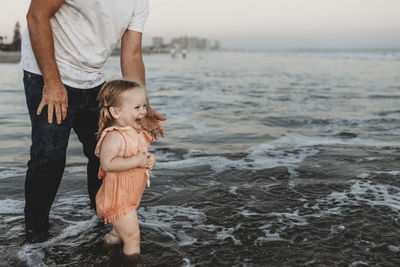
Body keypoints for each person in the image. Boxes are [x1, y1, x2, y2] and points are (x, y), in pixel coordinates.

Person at [20, 0, 165, 237]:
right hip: (47, 73)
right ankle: (35, 236)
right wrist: (53, 82)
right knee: (49, 158)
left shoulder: (139, 3)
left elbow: (132, 54)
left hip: (93, 79)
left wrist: (141, 108)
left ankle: (104, 219)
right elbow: (36, 15)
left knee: (105, 151)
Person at [95, 79, 155, 256]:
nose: (143, 112)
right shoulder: (114, 137)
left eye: (144, 106)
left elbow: (141, 154)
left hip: (128, 197)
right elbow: (107, 164)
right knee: (133, 239)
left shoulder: (135, 132)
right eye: (137, 108)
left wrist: (150, 159)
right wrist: (136, 161)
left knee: (118, 234)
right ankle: (132, 261)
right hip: (118, 200)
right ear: (115, 112)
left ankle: (100, 251)